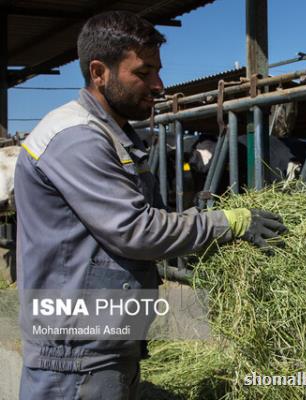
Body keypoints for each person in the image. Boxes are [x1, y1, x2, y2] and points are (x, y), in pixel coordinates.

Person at [14, 10, 286, 399]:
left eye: (158, 71)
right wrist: (228, 222)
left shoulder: (113, 136)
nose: (158, 85)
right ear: (98, 72)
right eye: (143, 73)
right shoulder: (77, 138)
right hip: (76, 359)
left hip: (101, 345)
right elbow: (135, 230)